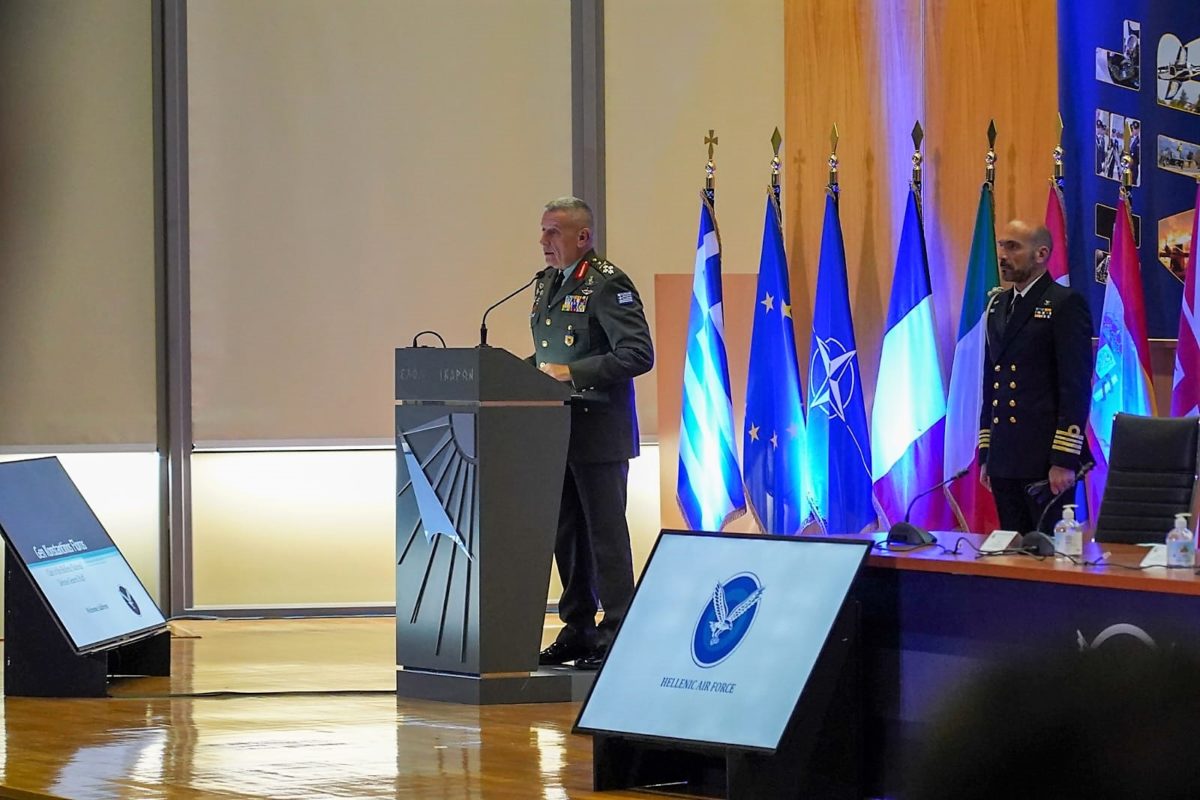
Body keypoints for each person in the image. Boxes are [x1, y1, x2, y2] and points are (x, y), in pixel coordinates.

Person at [530, 196, 653, 670]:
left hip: (599, 434)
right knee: (568, 537)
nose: (543, 240)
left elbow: (637, 353)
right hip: (556, 433)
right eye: (543, 230)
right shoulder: (547, 283)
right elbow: (550, 355)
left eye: (553, 231)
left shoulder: (608, 284)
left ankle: (618, 632)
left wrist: (572, 373)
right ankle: (578, 629)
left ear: (582, 236)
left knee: (604, 538)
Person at [978, 220, 1092, 534]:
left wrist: (1064, 459)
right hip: (1005, 456)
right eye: (1002, 245)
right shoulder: (998, 305)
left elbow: (1075, 387)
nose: (1003, 255)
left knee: (1048, 552)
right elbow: (992, 383)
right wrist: (987, 452)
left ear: (1041, 254)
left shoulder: (1064, 303)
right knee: (1012, 550)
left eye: (1013, 247)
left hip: (1044, 459)